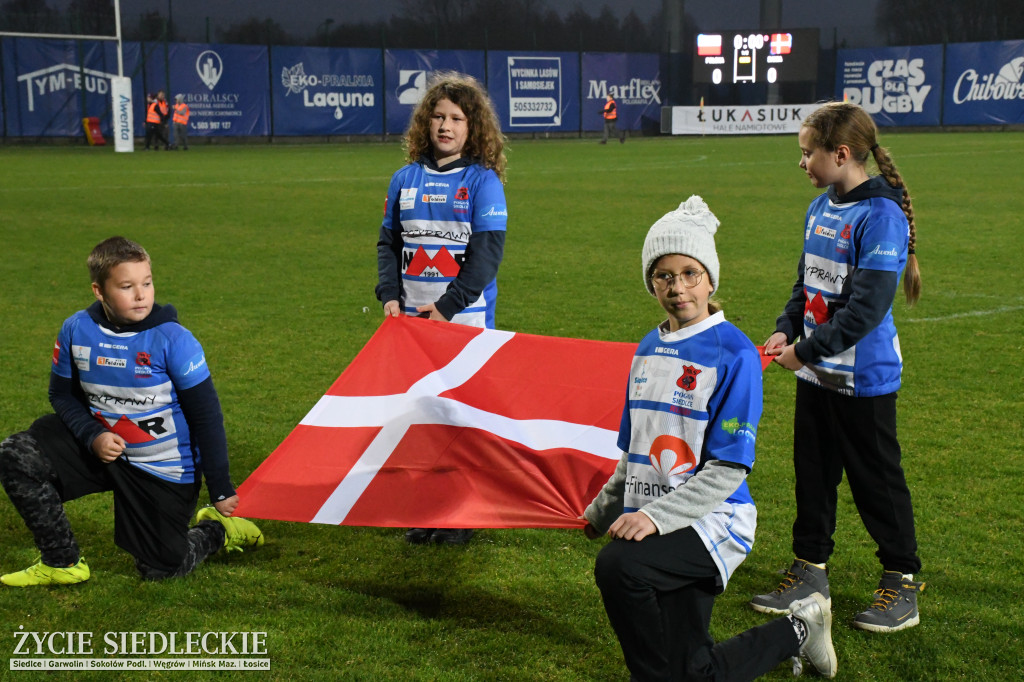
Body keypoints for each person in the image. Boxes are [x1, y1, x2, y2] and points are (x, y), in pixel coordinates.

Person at [583, 196, 836, 681]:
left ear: (710, 279)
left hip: (711, 521)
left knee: (619, 567)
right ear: (650, 282)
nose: (677, 287)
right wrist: (602, 509)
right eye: (664, 275)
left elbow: (728, 470)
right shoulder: (647, 348)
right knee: (694, 673)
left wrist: (653, 518)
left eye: (689, 273)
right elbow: (633, 453)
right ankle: (802, 628)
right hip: (654, 517)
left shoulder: (734, 352)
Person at [748, 101, 925, 633]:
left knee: (877, 482)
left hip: (863, 379)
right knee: (814, 474)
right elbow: (806, 286)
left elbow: (867, 310)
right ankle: (809, 570)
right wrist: (786, 326)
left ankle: (903, 583)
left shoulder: (882, 216)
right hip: (817, 373)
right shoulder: (821, 207)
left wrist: (802, 351)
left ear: (840, 154)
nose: (801, 163)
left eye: (808, 153)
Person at [0, 237, 264, 587]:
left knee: (163, 567)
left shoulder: (175, 339)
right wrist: (93, 435)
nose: (141, 295)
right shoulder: (76, 329)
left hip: (161, 466)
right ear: (99, 290)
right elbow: (61, 395)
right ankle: (61, 562)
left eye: (147, 283)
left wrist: (219, 487)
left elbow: (207, 417)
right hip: (101, 449)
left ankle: (217, 529)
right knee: (16, 456)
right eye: (127, 286)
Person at [375, 71, 507, 546]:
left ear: (473, 128)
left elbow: (486, 257)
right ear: (425, 123)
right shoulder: (404, 178)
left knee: (461, 419)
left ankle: (463, 513)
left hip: (463, 324)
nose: (445, 126)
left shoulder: (482, 181)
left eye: (456, 118)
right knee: (423, 417)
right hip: (412, 325)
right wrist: (389, 295)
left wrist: (447, 308)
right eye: (437, 116)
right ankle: (430, 509)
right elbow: (388, 244)